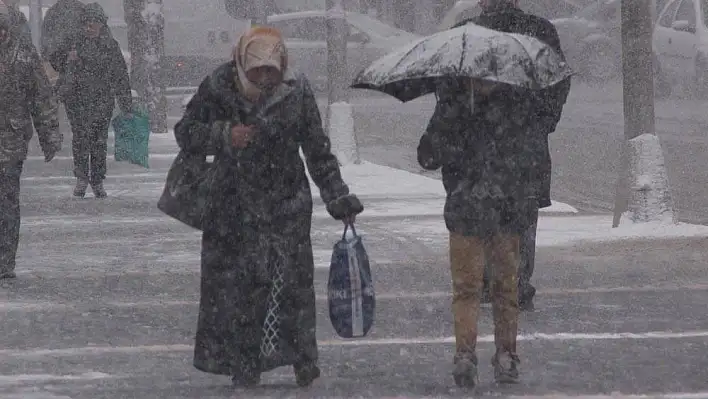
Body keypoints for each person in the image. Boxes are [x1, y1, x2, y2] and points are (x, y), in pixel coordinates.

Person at [174, 26, 363, 387]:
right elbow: (186, 132)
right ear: (242, 64)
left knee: (292, 284)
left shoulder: (297, 90)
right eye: (257, 70)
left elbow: (317, 148)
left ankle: (302, 358)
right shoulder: (219, 85)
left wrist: (337, 196)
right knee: (239, 288)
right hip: (233, 203)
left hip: (286, 203)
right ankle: (244, 362)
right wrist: (225, 134)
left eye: (271, 71)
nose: (264, 78)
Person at [418, 74, 539, 386]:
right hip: (466, 210)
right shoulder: (454, 104)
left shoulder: (514, 104)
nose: (483, 79)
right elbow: (427, 156)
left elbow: (529, 158)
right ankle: (465, 354)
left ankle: (506, 354)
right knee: (467, 287)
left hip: (504, 211)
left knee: (505, 287)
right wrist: (448, 125)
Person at [455, 0, 572, 311]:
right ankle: (516, 284)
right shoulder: (540, 31)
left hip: (478, 149)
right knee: (521, 219)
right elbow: (558, 82)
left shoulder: (465, 34)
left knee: (481, 214)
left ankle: (485, 283)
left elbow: (449, 92)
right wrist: (542, 122)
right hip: (526, 146)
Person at [0, 3, 62, 280]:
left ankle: (4, 259)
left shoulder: (24, 57)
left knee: (6, 200)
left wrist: (49, 135)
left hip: (10, 141)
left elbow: (42, 98)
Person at [52, 3, 132, 198]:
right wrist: (66, 57)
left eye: (94, 24)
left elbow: (120, 76)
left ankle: (97, 179)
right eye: (87, 24)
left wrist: (126, 103)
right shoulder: (73, 42)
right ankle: (81, 178)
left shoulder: (110, 46)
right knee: (80, 139)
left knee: (98, 141)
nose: (90, 28)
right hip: (77, 101)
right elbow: (54, 60)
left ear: (101, 25)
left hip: (101, 102)